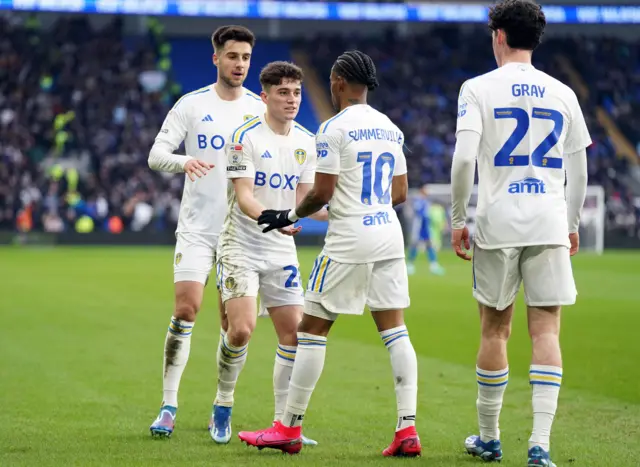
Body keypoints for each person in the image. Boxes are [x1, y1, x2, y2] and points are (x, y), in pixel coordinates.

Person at [238, 50, 421, 457]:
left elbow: (320, 193)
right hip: (389, 234)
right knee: (395, 330)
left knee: (311, 330)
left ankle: (288, 427)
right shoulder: (390, 128)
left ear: (337, 81)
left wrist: (286, 213)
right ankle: (407, 429)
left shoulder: (333, 129)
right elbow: (401, 193)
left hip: (350, 238)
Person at [449, 1, 590, 465]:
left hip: (497, 222)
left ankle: (489, 438)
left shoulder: (477, 88)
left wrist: (457, 218)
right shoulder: (563, 93)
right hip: (548, 220)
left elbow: (465, 159)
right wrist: (570, 224)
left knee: (495, 330)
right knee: (546, 330)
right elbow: (580, 170)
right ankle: (540, 445)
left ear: (499, 37)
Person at [147, 25, 266, 437]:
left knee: (235, 326)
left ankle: (223, 404)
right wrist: (185, 163)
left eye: (246, 58)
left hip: (241, 234)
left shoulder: (259, 109)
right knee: (185, 309)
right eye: (232, 56)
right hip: (197, 227)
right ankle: (168, 404)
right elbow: (156, 154)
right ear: (216, 58)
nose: (240, 64)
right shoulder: (192, 105)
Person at [212, 60, 326, 445]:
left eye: (296, 92)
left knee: (293, 335)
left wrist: (344, 212)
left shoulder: (307, 141)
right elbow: (244, 197)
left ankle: (283, 425)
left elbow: (304, 200)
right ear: (265, 97)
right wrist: (277, 217)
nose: (292, 99)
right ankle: (223, 402)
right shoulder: (244, 137)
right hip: (240, 243)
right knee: (241, 330)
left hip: (280, 248)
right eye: (283, 93)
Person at [406, 184, 445, 276]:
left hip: (425, 227)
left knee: (429, 245)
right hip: (418, 226)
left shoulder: (426, 202)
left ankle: (433, 266)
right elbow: (418, 213)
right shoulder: (418, 201)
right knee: (414, 245)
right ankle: (410, 265)